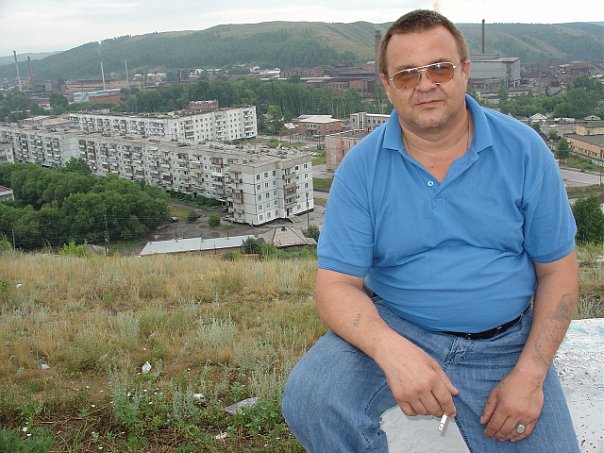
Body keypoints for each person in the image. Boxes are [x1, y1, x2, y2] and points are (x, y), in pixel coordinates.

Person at [282, 9, 580, 453]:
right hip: (399, 326)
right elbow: (336, 286)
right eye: (407, 74)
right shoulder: (361, 168)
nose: (425, 85)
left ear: (465, 71)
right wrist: (391, 351)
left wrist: (531, 374)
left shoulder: (523, 150)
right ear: (387, 85)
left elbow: (558, 271)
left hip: (505, 345)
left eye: (439, 68)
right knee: (312, 396)